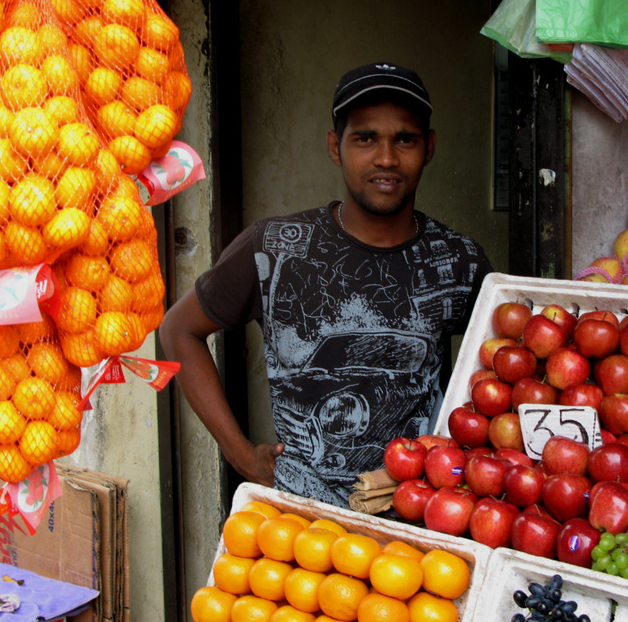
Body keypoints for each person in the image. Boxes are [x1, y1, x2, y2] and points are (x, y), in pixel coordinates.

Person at [159, 62, 492, 507]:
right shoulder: (273, 248)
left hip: (426, 525)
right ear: (336, 147)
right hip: (301, 526)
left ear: (429, 147)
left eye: (405, 139)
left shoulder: (460, 260)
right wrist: (239, 454)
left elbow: (497, 377)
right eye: (365, 138)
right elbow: (178, 330)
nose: (387, 158)